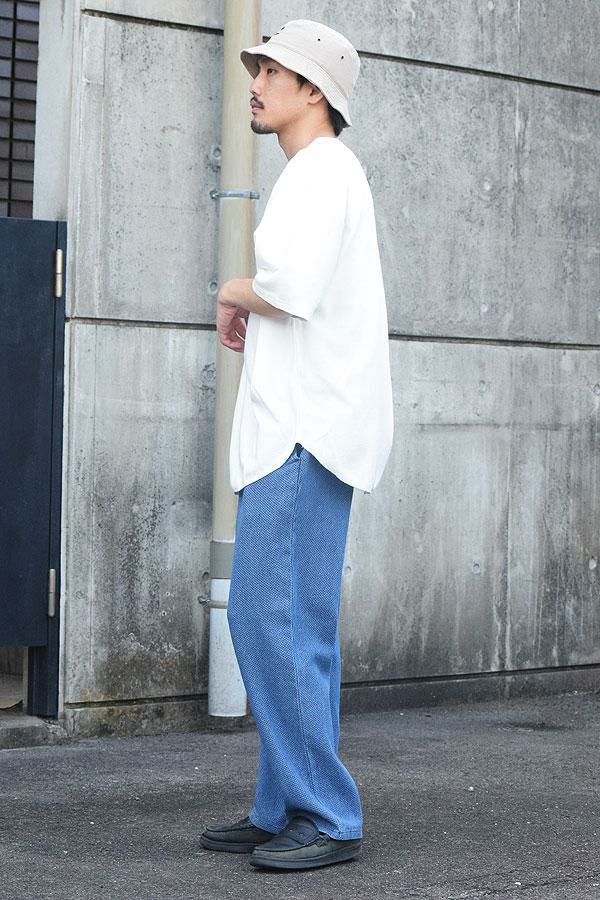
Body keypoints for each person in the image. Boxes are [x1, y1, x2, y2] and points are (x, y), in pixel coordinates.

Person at [200, 19, 394, 871]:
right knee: (296, 625)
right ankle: (285, 803)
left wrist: (233, 288)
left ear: (313, 90)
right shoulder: (325, 172)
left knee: (265, 617)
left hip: (301, 433)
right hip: (310, 429)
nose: (255, 83)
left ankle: (325, 811)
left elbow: (289, 287)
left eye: (271, 72)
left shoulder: (318, 171)